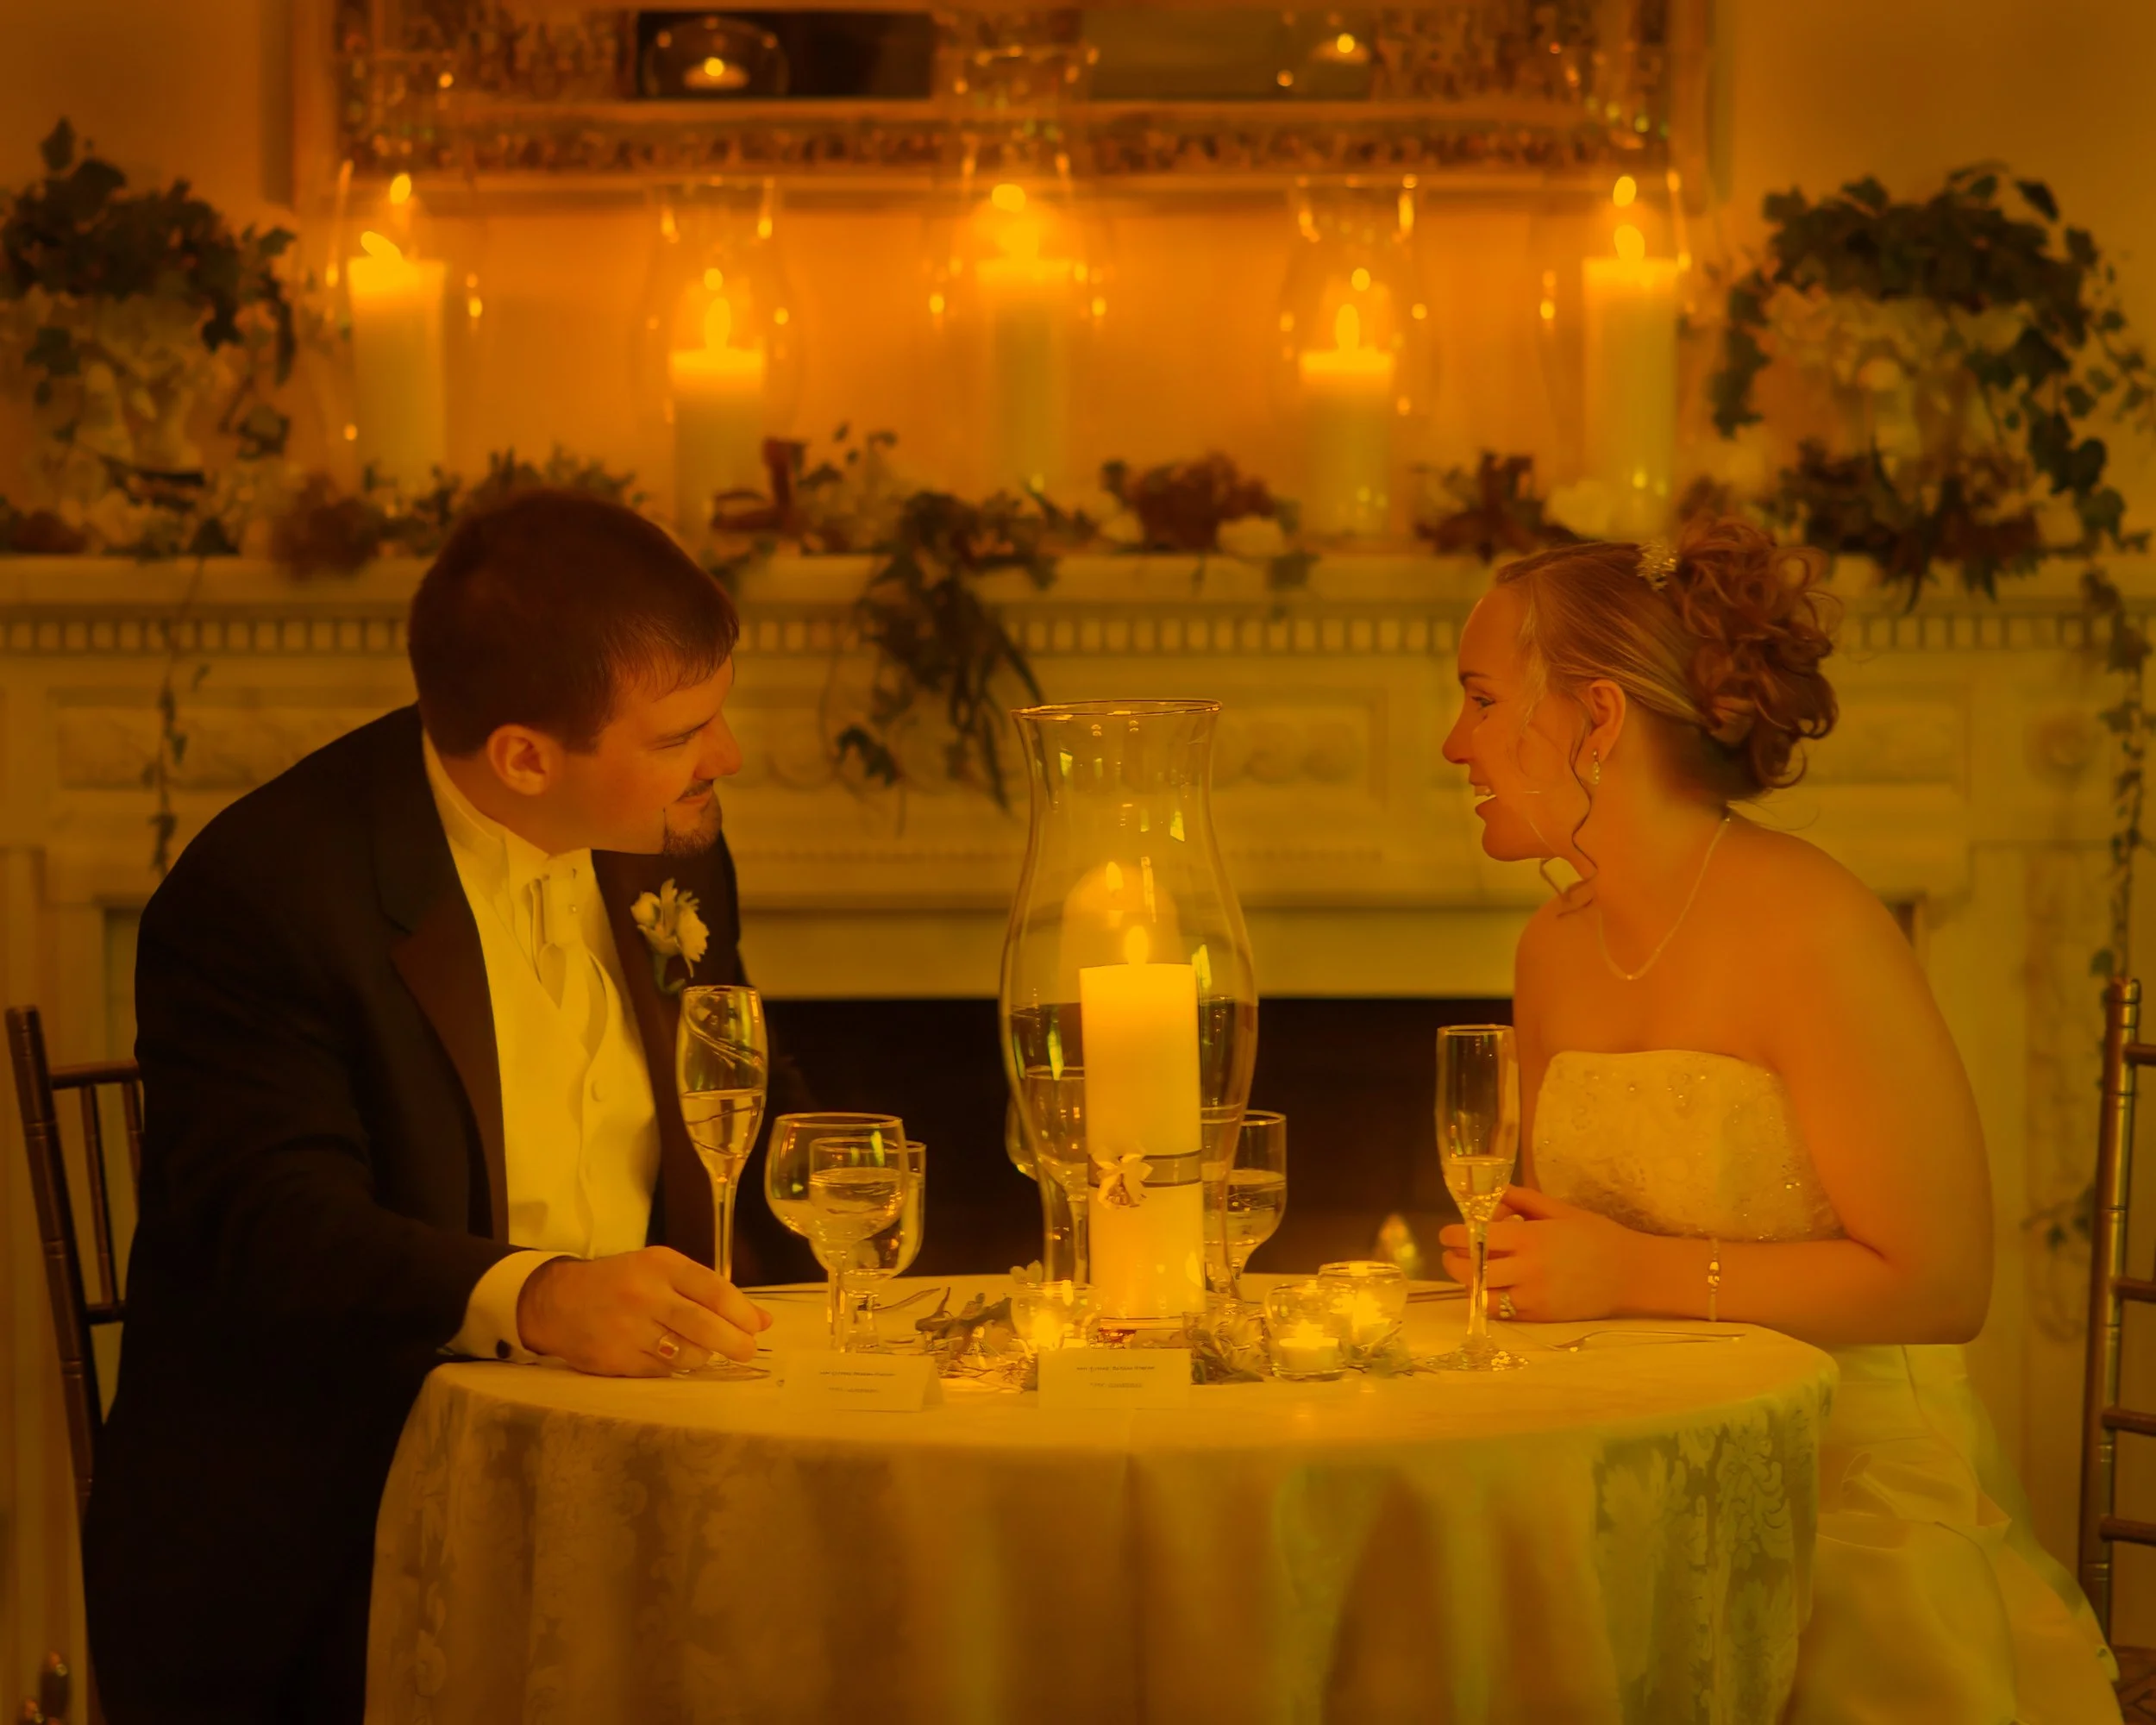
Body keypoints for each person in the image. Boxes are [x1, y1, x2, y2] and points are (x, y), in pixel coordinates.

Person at [84, 489, 803, 1722]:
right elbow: (276, 1226)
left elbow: (739, 1101)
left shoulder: (665, 836)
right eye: (685, 729)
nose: (723, 755)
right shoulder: (267, 895)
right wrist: (537, 1293)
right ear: (525, 756)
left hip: (651, 1470)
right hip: (343, 1514)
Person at [1436, 518, 2123, 1722]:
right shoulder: (1549, 950)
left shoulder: (1814, 928)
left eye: (1482, 700)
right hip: (1635, 1457)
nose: (1456, 743)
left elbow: (1942, 1284)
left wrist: (1623, 1270)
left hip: (1843, 1481)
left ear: (1598, 719)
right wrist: (1526, 1267)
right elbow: (1576, 1260)